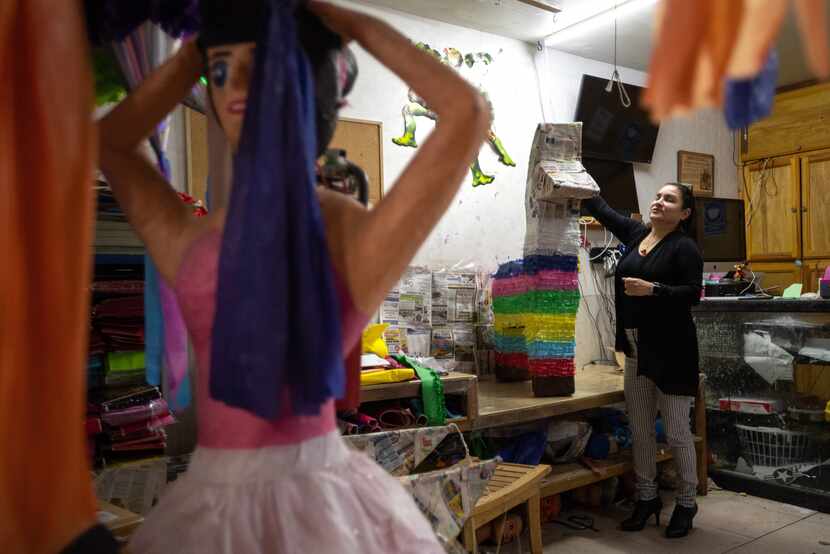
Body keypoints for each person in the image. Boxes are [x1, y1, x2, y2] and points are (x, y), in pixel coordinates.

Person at [97, 1, 490, 552]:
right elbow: (112, 142)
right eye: (222, 72)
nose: (234, 87)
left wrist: (345, 22)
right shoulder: (192, 238)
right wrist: (205, 45)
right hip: (211, 503)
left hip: (321, 504)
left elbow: (467, 112)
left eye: (261, 67)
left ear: (307, 81)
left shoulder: (345, 235)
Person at [582, 183, 703, 539]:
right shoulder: (637, 234)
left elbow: (693, 294)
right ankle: (647, 497)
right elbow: (602, 210)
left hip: (672, 351)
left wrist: (654, 290)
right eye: (658, 196)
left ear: (684, 214)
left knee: (679, 431)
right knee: (640, 428)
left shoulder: (684, 247)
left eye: (669, 199)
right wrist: (577, 177)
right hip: (634, 348)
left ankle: (685, 502)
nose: (659, 202)